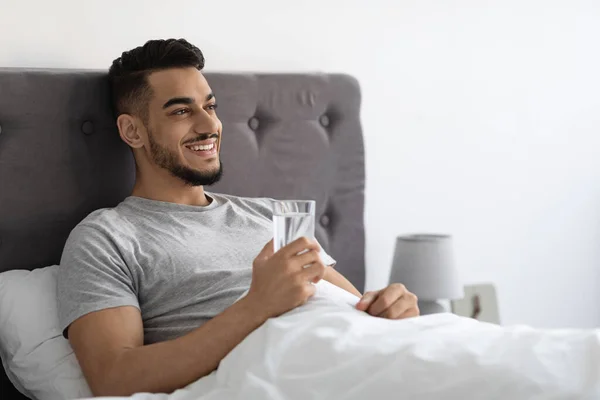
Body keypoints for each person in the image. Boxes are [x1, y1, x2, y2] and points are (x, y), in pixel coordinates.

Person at [57, 38, 420, 397]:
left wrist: (393, 311)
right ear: (132, 130)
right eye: (181, 111)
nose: (208, 125)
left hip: (368, 354)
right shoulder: (107, 237)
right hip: (295, 373)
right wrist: (257, 306)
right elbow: (113, 379)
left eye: (210, 106)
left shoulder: (268, 213)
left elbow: (354, 307)